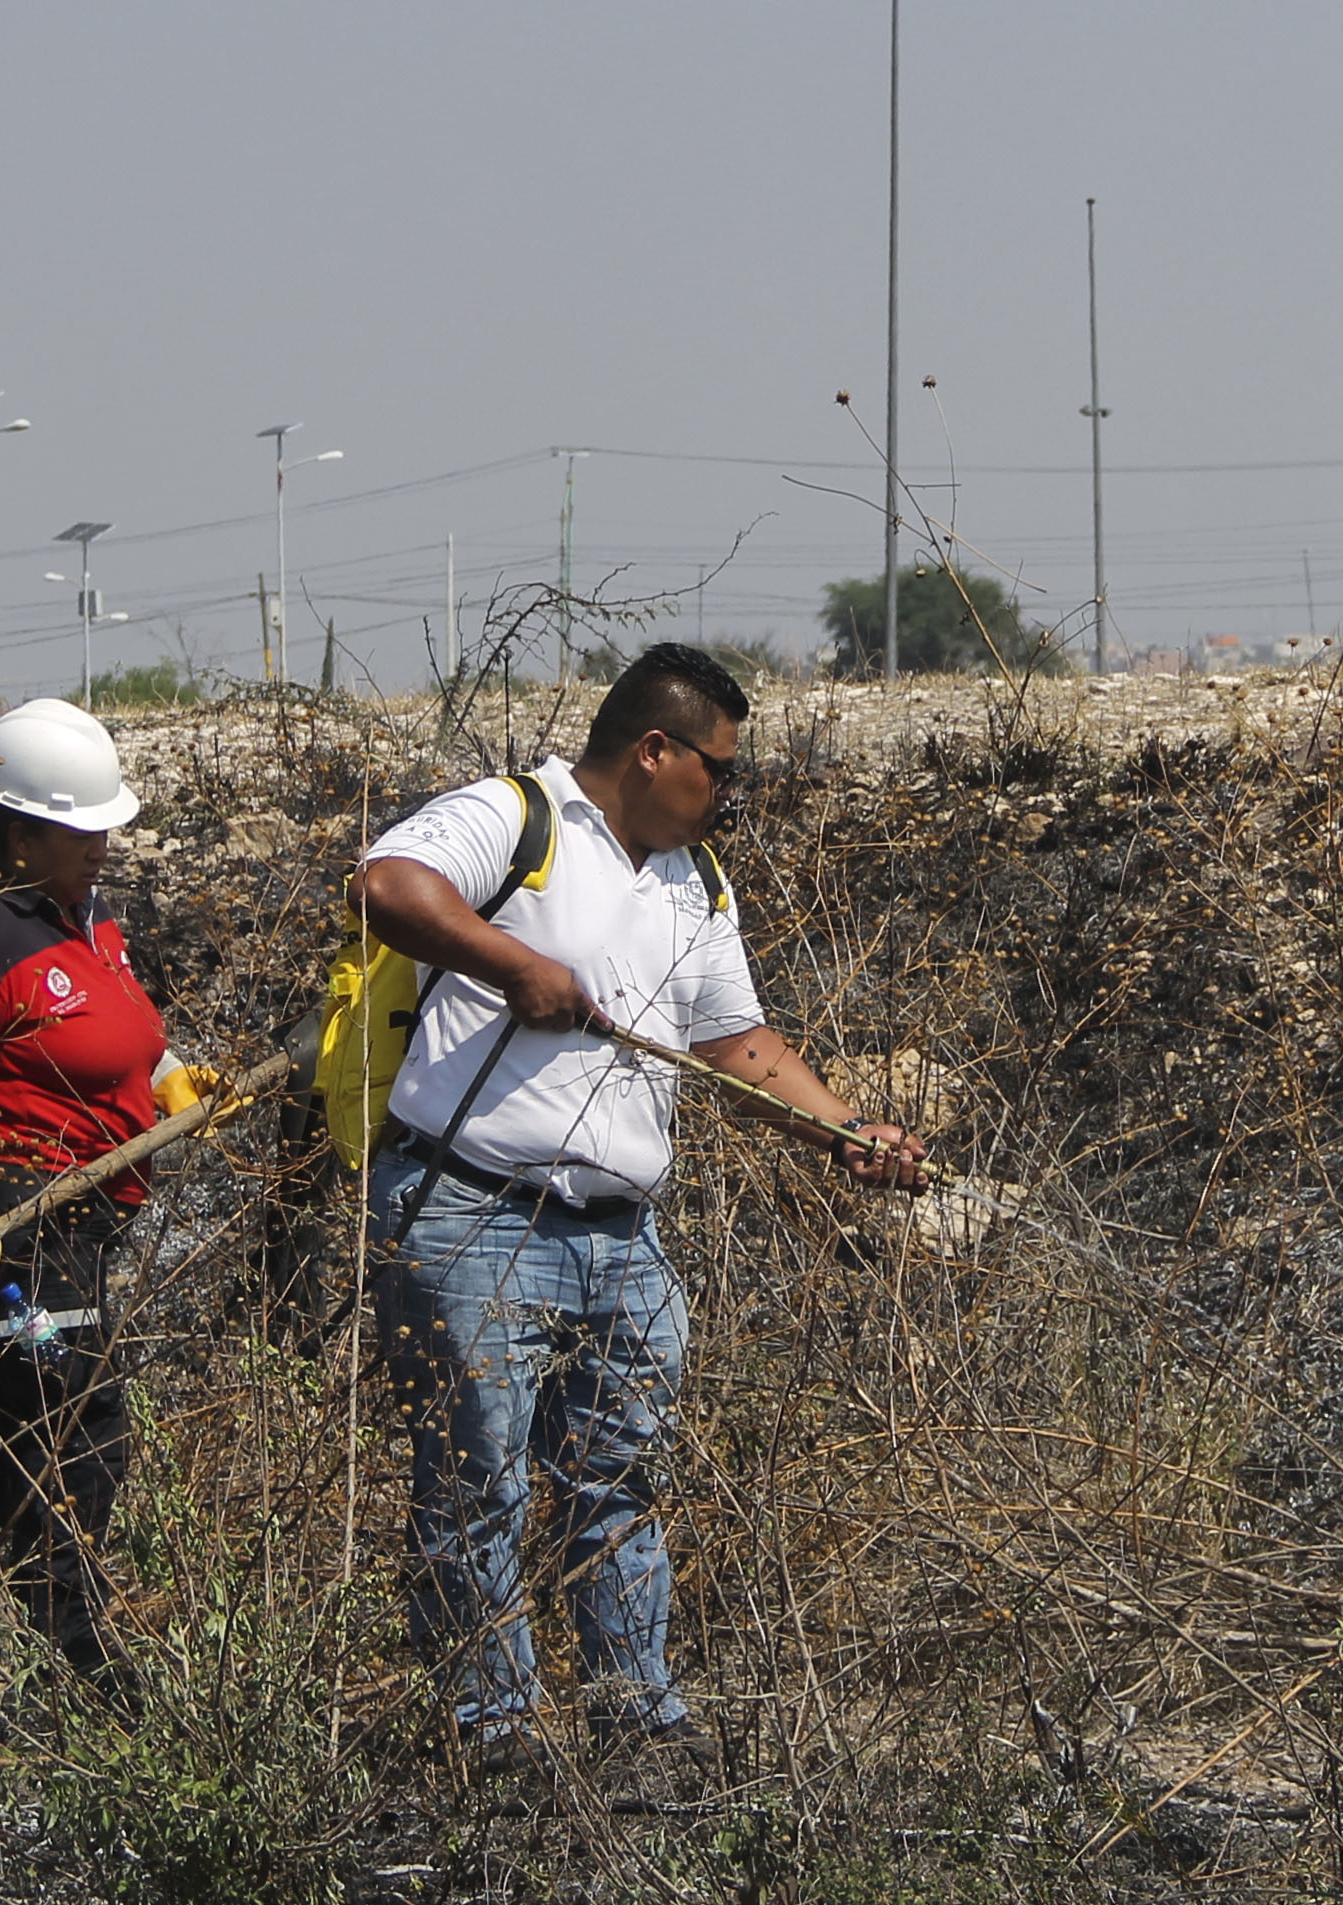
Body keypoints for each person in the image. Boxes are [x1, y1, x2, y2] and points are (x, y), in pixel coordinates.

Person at [352, 642, 923, 1768]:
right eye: (718, 769)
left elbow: (736, 1041)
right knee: (477, 1482)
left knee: (617, 1479)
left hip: (619, 1236)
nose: (728, 795)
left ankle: (636, 1718)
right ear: (653, 751)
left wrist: (847, 1134)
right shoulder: (515, 816)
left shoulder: (692, 883)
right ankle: (492, 1731)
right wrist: (514, 963)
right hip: (473, 1211)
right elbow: (389, 888)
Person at [0, 697, 220, 1678]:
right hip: (16, 1226)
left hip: (87, 1219)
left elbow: (131, 1034)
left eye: (104, 829)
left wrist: (171, 1081)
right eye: (81, 833)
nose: (102, 848)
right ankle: (68, 1647)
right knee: (74, 1409)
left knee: (0, 1424)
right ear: (18, 828)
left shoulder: (90, 924)